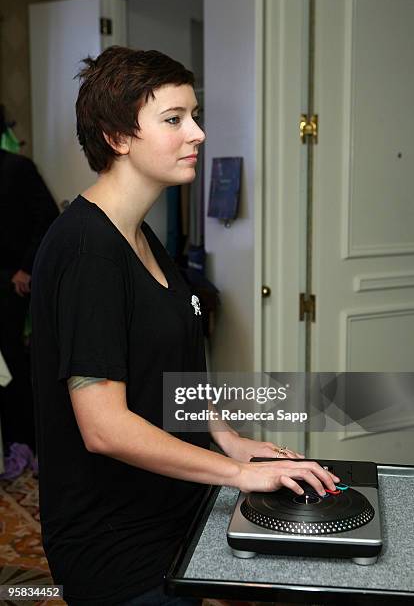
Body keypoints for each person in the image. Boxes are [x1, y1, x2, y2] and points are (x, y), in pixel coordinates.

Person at [30, 46, 339, 606]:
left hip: (174, 510)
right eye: (174, 120)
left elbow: (174, 368)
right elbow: (104, 428)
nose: (196, 134)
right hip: (118, 543)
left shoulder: (142, 239)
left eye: (195, 116)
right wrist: (235, 474)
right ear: (117, 136)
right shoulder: (87, 250)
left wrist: (228, 438)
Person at [0, 115, 59, 455]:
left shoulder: (18, 168)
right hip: (7, 278)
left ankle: (25, 440)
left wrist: (24, 270)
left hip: (16, 287)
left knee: (16, 362)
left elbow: (46, 216)